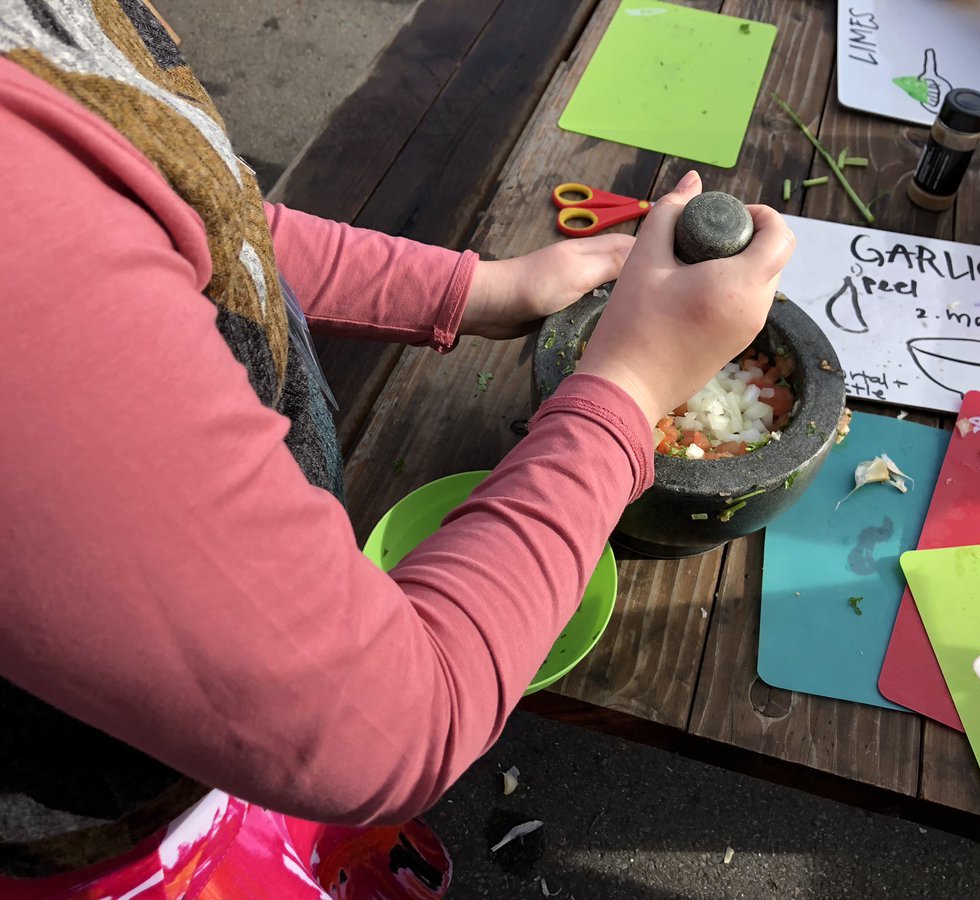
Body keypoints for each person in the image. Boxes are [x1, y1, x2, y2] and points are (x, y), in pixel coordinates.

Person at [0, 1, 794, 896]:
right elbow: (381, 728)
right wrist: (632, 387)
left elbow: (204, 214)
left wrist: (478, 291)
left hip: (237, 664)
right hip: (122, 817)